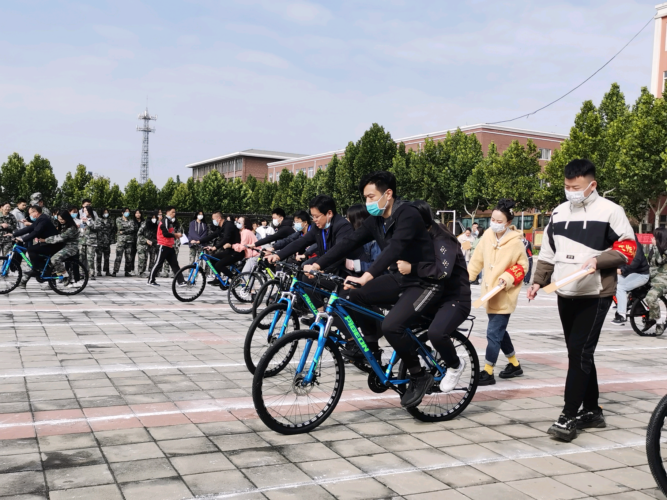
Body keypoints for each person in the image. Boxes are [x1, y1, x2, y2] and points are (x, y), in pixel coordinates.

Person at [302, 172, 447, 409]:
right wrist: (318, 264)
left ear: (388, 194)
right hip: (398, 278)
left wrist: (366, 276)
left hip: (423, 282)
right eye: (366, 197)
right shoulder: (376, 220)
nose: (368, 202)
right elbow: (348, 243)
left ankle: (419, 375)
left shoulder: (407, 214)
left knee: (392, 325)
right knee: (351, 296)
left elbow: (394, 248)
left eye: (371, 196)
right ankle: (371, 347)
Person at [528, 159, 636, 442]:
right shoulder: (558, 212)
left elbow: (628, 248)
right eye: (567, 186)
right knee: (579, 353)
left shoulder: (611, 211)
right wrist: (538, 280)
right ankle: (592, 411)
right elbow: (548, 252)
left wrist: (599, 260)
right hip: (565, 292)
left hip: (595, 293)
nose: (571, 192)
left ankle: (568, 416)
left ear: (592, 185)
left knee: (579, 352)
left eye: (576, 187)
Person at [398, 200, 472, 393]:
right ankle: (427, 354)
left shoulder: (442, 239)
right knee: (399, 323)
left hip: (455, 298)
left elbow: (443, 272)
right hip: (431, 295)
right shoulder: (421, 237)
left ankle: (455, 365)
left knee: (436, 333)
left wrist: (412, 268)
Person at [468, 199, 528, 386]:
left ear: (508, 222)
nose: (494, 223)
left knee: (493, 333)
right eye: (492, 219)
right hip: (489, 294)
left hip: (504, 295)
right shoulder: (487, 235)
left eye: (499, 221)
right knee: (499, 332)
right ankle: (514, 365)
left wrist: (507, 278)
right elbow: (477, 259)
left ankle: (488, 371)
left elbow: (523, 266)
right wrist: (466, 278)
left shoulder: (516, 242)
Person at [12, 205, 59, 287]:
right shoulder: (40, 219)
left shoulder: (43, 220)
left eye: (30, 213)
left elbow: (36, 232)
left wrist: (23, 239)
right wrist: (14, 234)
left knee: (31, 250)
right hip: (46, 243)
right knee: (35, 254)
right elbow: (29, 228)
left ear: (36, 212)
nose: (30, 215)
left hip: (53, 244)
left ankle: (36, 269)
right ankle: (40, 270)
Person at [611, 234, 649, 325]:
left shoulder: (635, 245)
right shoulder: (620, 244)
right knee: (611, 281)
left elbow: (636, 262)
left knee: (620, 287)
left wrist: (622, 270)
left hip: (641, 275)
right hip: (629, 273)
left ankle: (622, 315)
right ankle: (623, 305)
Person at [148, 206, 185, 287]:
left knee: (175, 264)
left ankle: (181, 281)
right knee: (158, 263)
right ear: (167, 212)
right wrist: (175, 235)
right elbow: (165, 233)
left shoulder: (169, 221)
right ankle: (151, 280)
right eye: (172, 212)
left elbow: (170, 233)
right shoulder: (165, 221)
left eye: (175, 212)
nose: (174, 214)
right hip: (163, 246)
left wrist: (175, 236)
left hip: (170, 246)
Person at [200, 212, 243, 281]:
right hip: (229, 251)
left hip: (236, 252)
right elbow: (212, 236)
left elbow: (226, 238)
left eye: (213, 219)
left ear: (219, 218)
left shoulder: (228, 225)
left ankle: (235, 279)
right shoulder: (221, 227)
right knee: (213, 258)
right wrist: (199, 241)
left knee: (219, 265)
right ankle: (218, 279)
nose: (213, 221)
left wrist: (215, 247)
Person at [39, 211, 79, 279]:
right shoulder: (63, 225)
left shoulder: (72, 228)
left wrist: (45, 240)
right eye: (59, 219)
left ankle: (65, 275)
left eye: (62, 219)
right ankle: (53, 274)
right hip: (62, 246)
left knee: (54, 259)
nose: (60, 221)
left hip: (71, 248)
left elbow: (60, 237)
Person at [345, 204, 380, 276]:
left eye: (348, 218)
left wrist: (354, 265)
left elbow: (378, 267)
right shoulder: (353, 237)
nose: (346, 221)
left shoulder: (373, 241)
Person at [643, 228, 667, 334]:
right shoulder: (654, 248)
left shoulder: (664, 249)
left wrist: (655, 246)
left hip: (663, 280)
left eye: (655, 236)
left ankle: (659, 322)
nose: (652, 238)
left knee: (650, 297)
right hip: (652, 278)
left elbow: (659, 261)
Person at [113, 208, 136, 277]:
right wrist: (126, 230)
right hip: (121, 241)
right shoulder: (118, 219)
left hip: (129, 241)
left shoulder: (131, 220)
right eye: (126, 211)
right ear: (122, 212)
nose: (127, 213)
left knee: (128, 257)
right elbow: (120, 228)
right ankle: (115, 271)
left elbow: (132, 229)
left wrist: (124, 231)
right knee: (118, 257)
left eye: (128, 211)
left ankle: (127, 271)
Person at [136, 211, 159, 277]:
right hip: (142, 244)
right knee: (143, 258)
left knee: (152, 258)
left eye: (155, 218)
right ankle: (141, 272)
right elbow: (139, 235)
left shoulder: (156, 225)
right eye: (153, 218)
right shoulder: (144, 224)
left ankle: (152, 271)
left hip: (152, 243)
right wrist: (146, 240)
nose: (154, 219)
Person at [79, 206, 98, 280]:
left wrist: (87, 221)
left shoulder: (95, 219)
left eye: (86, 211)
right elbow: (81, 229)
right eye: (83, 211)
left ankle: (92, 273)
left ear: (89, 211)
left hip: (91, 241)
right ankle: (81, 273)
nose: (84, 212)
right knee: (81, 258)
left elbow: (95, 227)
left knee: (90, 258)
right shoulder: (82, 219)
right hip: (82, 241)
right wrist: (81, 224)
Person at [96, 208, 113, 276]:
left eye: (107, 212)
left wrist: (111, 240)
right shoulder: (98, 220)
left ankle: (107, 270)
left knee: (107, 257)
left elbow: (112, 231)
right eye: (104, 212)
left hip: (107, 241)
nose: (106, 214)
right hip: (99, 241)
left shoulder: (110, 221)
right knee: (99, 257)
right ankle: (98, 271)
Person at [129, 210, 144, 274]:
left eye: (139, 213)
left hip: (141, 241)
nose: (138, 214)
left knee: (141, 256)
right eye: (136, 213)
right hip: (134, 241)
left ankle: (140, 270)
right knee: (132, 256)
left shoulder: (143, 222)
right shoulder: (132, 222)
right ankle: (131, 269)